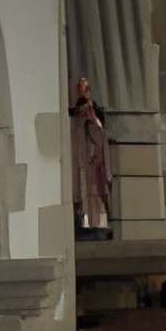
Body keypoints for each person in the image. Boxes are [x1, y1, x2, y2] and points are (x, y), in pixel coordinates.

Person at [70, 73, 114, 236]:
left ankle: (95, 223)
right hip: (79, 160)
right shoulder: (74, 114)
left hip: (91, 162)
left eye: (85, 89)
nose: (82, 92)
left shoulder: (92, 112)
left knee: (93, 193)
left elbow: (98, 132)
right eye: (80, 88)